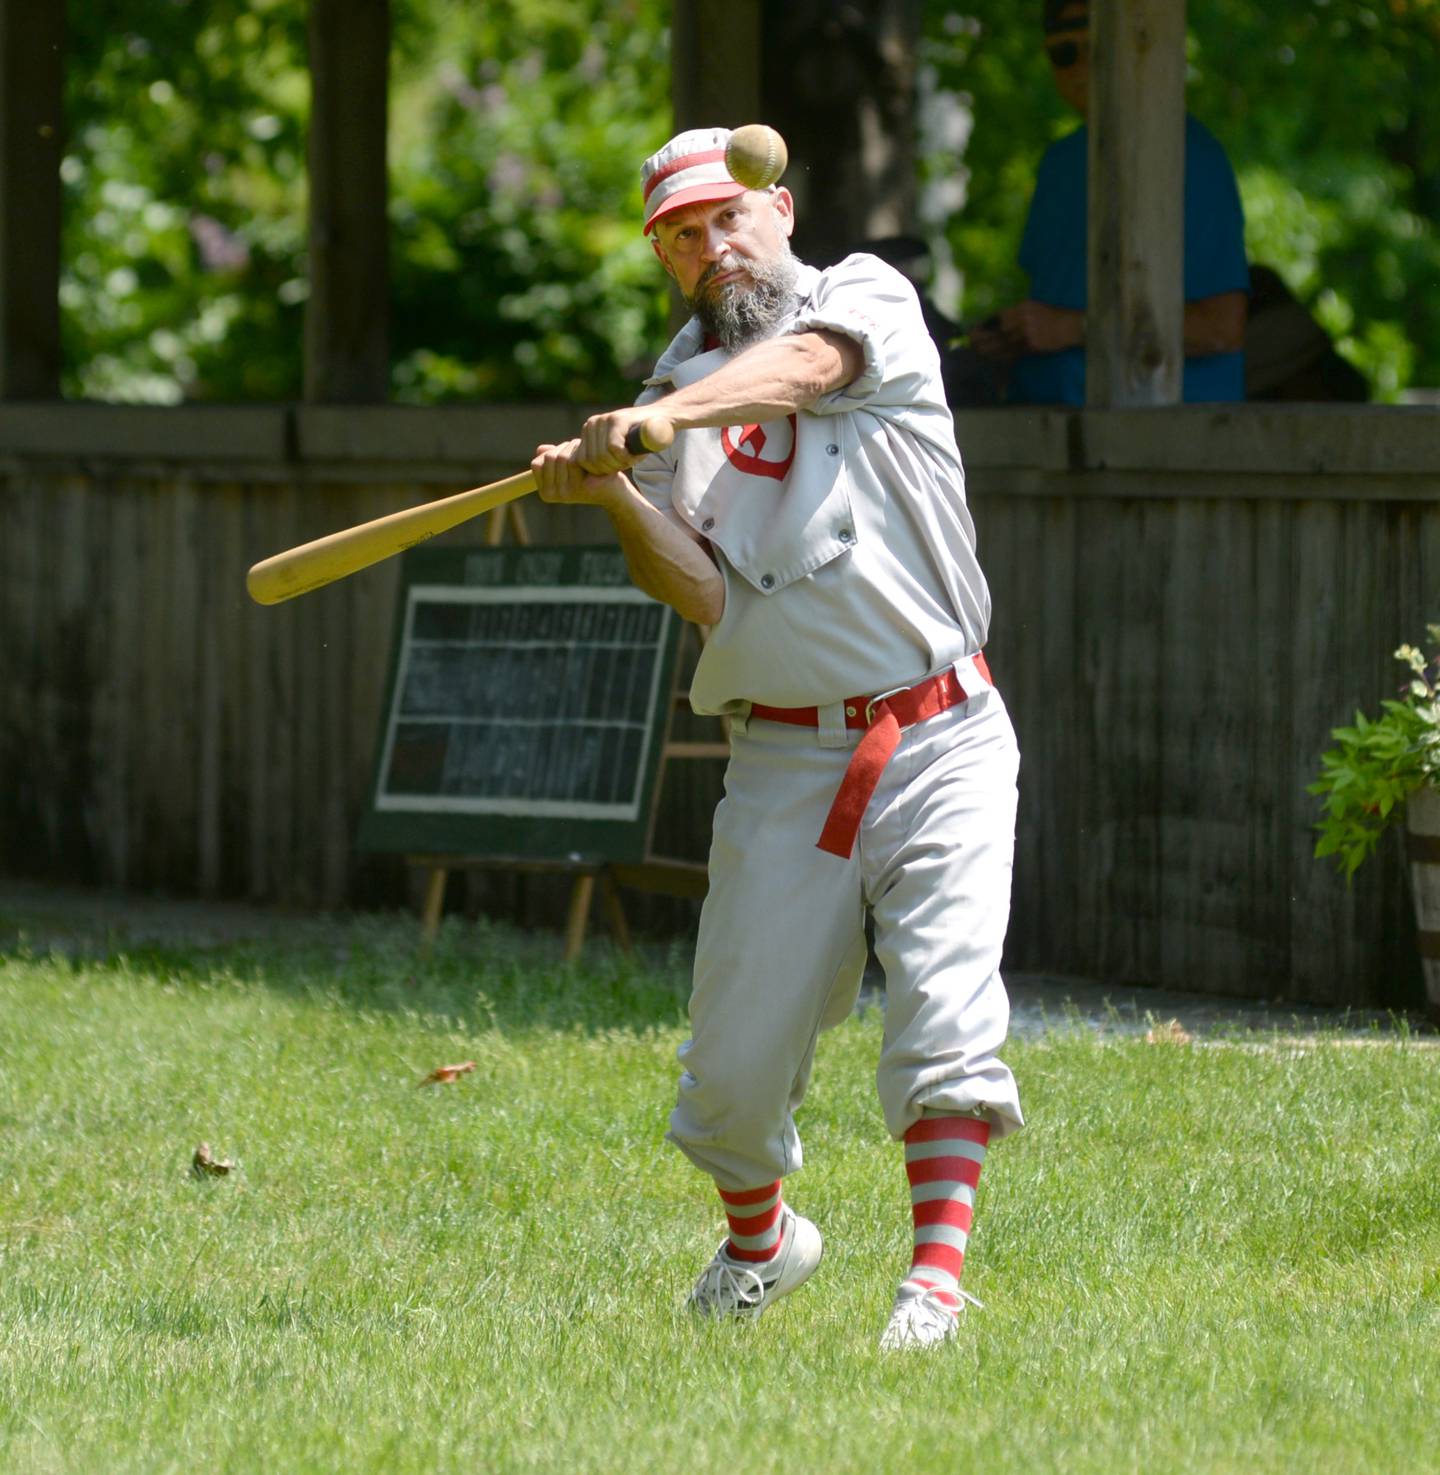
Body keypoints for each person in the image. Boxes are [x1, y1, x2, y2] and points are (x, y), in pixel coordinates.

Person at [530, 127, 1023, 1352]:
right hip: (784, 755)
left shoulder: (867, 299)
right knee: (730, 1074)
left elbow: (803, 371)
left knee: (947, 1011)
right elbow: (701, 591)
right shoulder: (670, 400)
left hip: (941, 729)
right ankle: (763, 1245)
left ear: (781, 209)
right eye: (682, 236)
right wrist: (618, 495)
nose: (712, 247)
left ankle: (935, 1286)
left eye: (729, 218)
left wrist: (652, 426)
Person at [972, 0, 1250, 404]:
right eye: (1065, 52)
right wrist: (1012, 334)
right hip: (1050, 433)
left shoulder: (1192, 157)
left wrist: (1074, 328)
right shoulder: (1058, 163)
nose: (1082, 64)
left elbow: (1222, 329)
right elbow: (1048, 313)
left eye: (1096, 46)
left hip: (1162, 441)